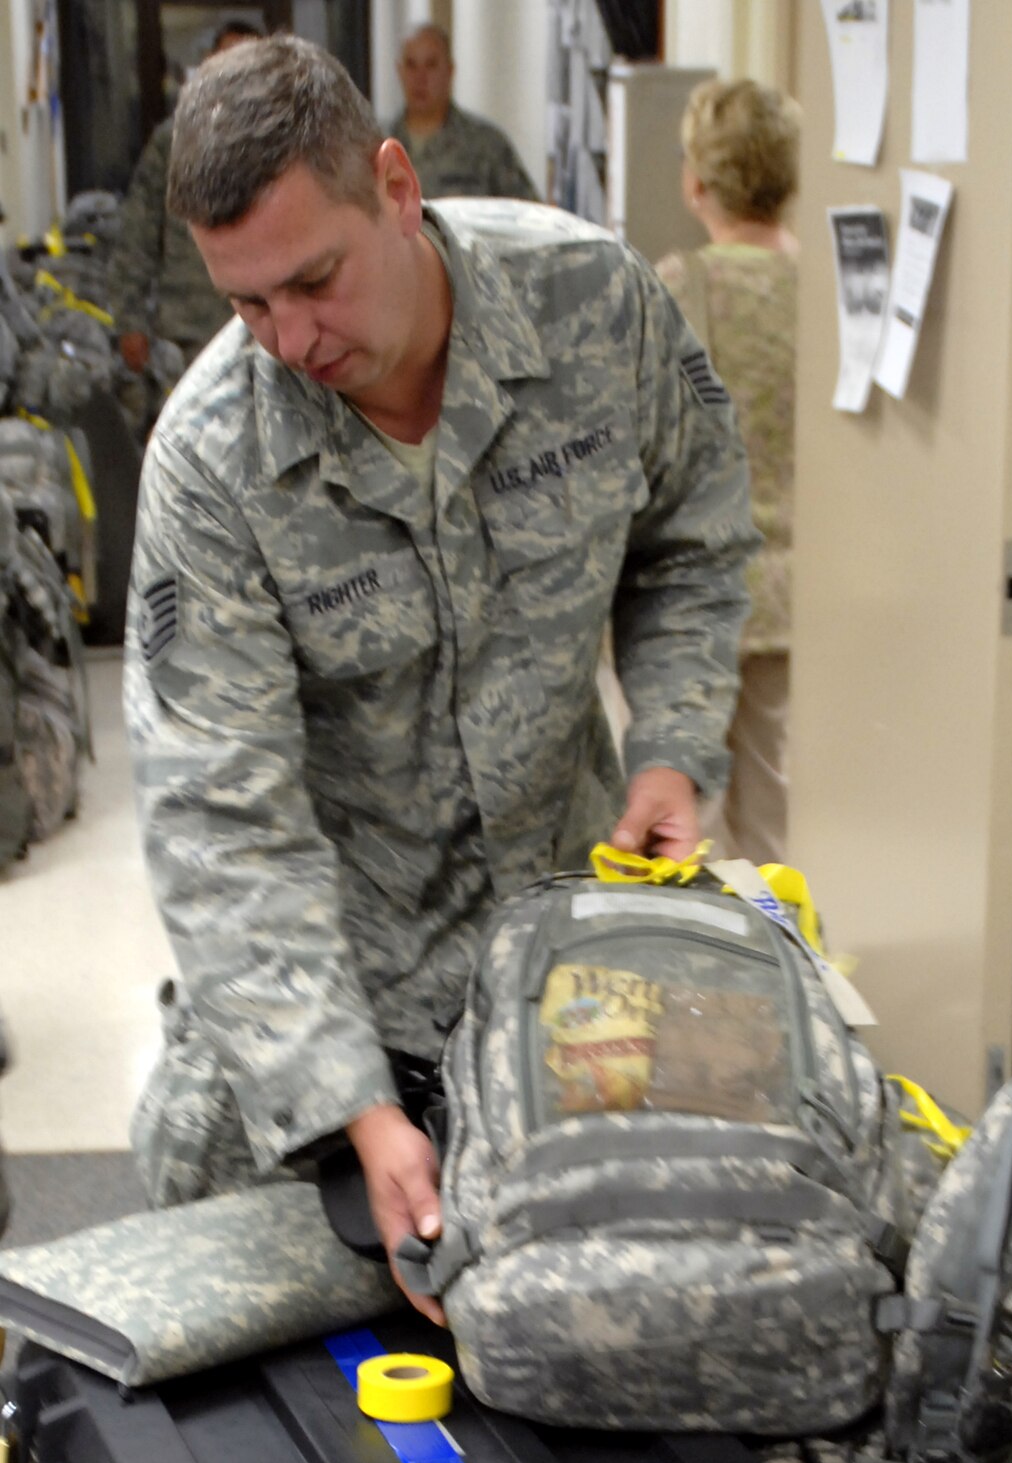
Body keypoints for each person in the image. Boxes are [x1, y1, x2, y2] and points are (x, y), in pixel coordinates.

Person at [124, 35, 755, 1321]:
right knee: (208, 1265)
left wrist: (673, 748)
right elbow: (220, 816)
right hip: (339, 975)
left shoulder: (594, 304)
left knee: (649, 1311)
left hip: (553, 955)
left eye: (313, 280)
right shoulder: (212, 461)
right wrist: (352, 1104)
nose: (290, 338)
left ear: (396, 188)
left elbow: (694, 538)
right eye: (247, 304)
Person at [657, 78, 799, 866]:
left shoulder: (678, 287)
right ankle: (788, 969)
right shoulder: (830, 293)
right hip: (795, 597)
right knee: (780, 828)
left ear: (696, 181)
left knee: (690, 832)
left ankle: (710, 983)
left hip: (697, 599)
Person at [109, 19, 264, 377]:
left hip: (264, 329)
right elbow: (138, 236)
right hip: (185, 336)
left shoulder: (283, 148)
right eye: (227, 61)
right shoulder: (174, 143)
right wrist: (129, 320)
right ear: (209, 64)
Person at [390, 23, 538, 202]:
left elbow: (527, 213)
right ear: (399, 71)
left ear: (450, 71)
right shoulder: (376, 143)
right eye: (411, 65)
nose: (420, 78)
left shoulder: (487, 146)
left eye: (431, 65)